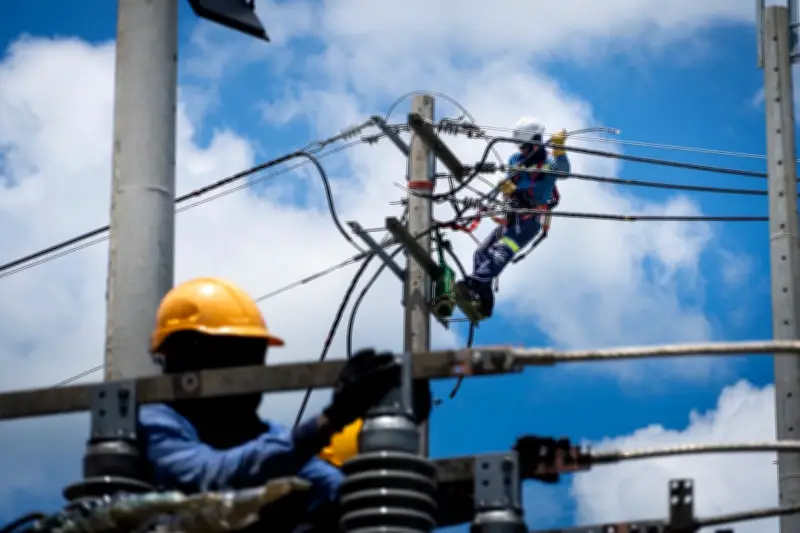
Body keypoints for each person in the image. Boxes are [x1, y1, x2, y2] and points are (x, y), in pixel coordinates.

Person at [138, 277, 401, 532]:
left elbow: (334, 490)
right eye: (237, 358)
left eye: (255, 358)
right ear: (186, 357)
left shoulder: (265, 436)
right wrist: (330, 421)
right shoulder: (156, 424)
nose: (252, 373)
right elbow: (209, 477)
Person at [455, 117, 570, 321]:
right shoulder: (515, 160)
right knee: (481, 253)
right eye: (520, 146)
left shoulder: (549, 162)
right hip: (512, 217)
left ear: (536, 142)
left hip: (529, 221)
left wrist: (559, 149)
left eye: (525, 146)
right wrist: (507, 190)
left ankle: (475, 282)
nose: (522, 150)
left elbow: (564, 172)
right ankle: (483, 302)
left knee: (501, 251)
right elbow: (510, 183)